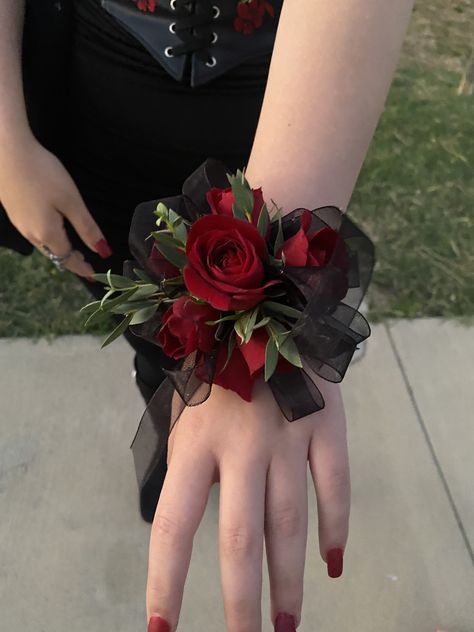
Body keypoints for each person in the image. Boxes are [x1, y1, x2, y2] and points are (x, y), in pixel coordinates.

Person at [0, 1, 416, 630]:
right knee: (143, 317)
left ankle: (197, 446)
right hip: (101, 83)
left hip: (281, 91)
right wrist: (6, 141)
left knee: (230, 402)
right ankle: (165, 424)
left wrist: (267, 323)